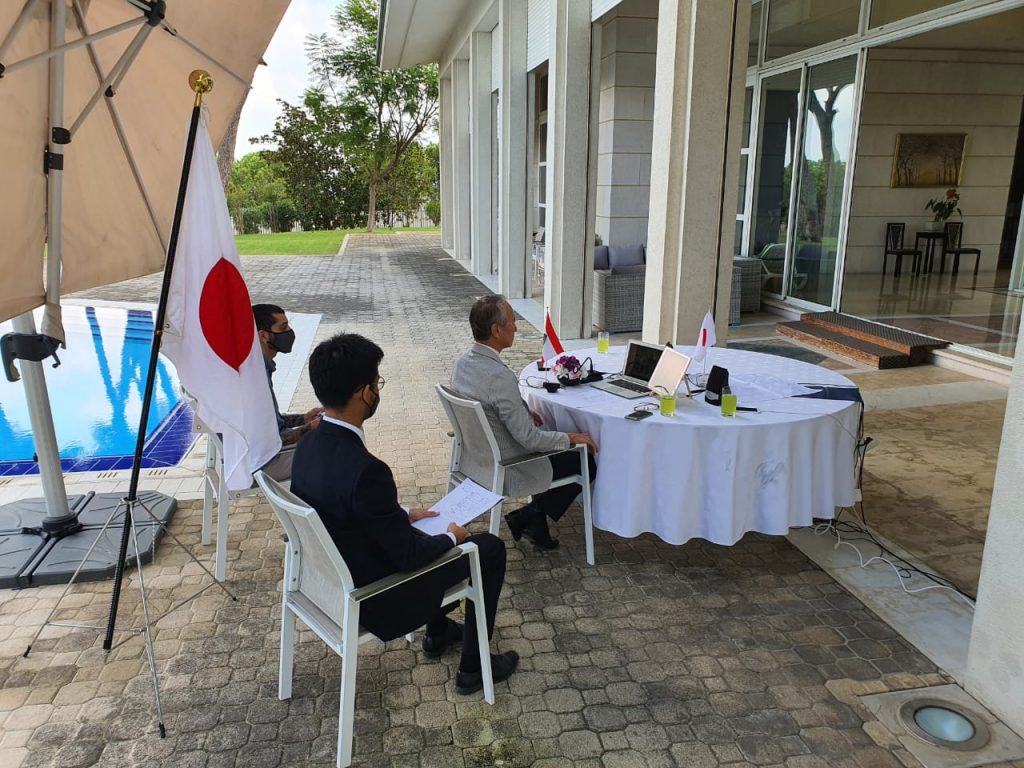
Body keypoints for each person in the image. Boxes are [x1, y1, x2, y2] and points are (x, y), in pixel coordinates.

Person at [289, 333, 518, 694]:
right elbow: (409, 558)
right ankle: (474, 670)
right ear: (365, 392)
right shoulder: (368, 470)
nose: (378, 389)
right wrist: (453, 537)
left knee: (425, 527)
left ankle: (439, 633)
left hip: (334, 576)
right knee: (487, 549)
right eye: (377, 381)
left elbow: (343, 503)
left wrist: (403, 513)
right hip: (379, 596)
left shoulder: (309, 444)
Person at [451, 295, 598, 550]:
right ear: (497, 330)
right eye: (512, 320)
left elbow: (489, 403)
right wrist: (571, 437)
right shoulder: (500, 377)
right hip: (509, 465)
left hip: (474, 459)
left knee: (558, 440)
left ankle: (534, 520)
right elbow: (530, 439)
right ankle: (530, 514)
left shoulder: (462, 364)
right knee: (585, 457)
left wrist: (523, 410)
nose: (517, 326)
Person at [253, 304, 323, 481]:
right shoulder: (255, 380)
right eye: (283, 328)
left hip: (270, 452)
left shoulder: (260, 369)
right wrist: (308, 428)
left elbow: (272, 421)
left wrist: (304, 418)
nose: (290, 332)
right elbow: (268, 441)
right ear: (263, 335)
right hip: (267, 462)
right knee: (339, 449)